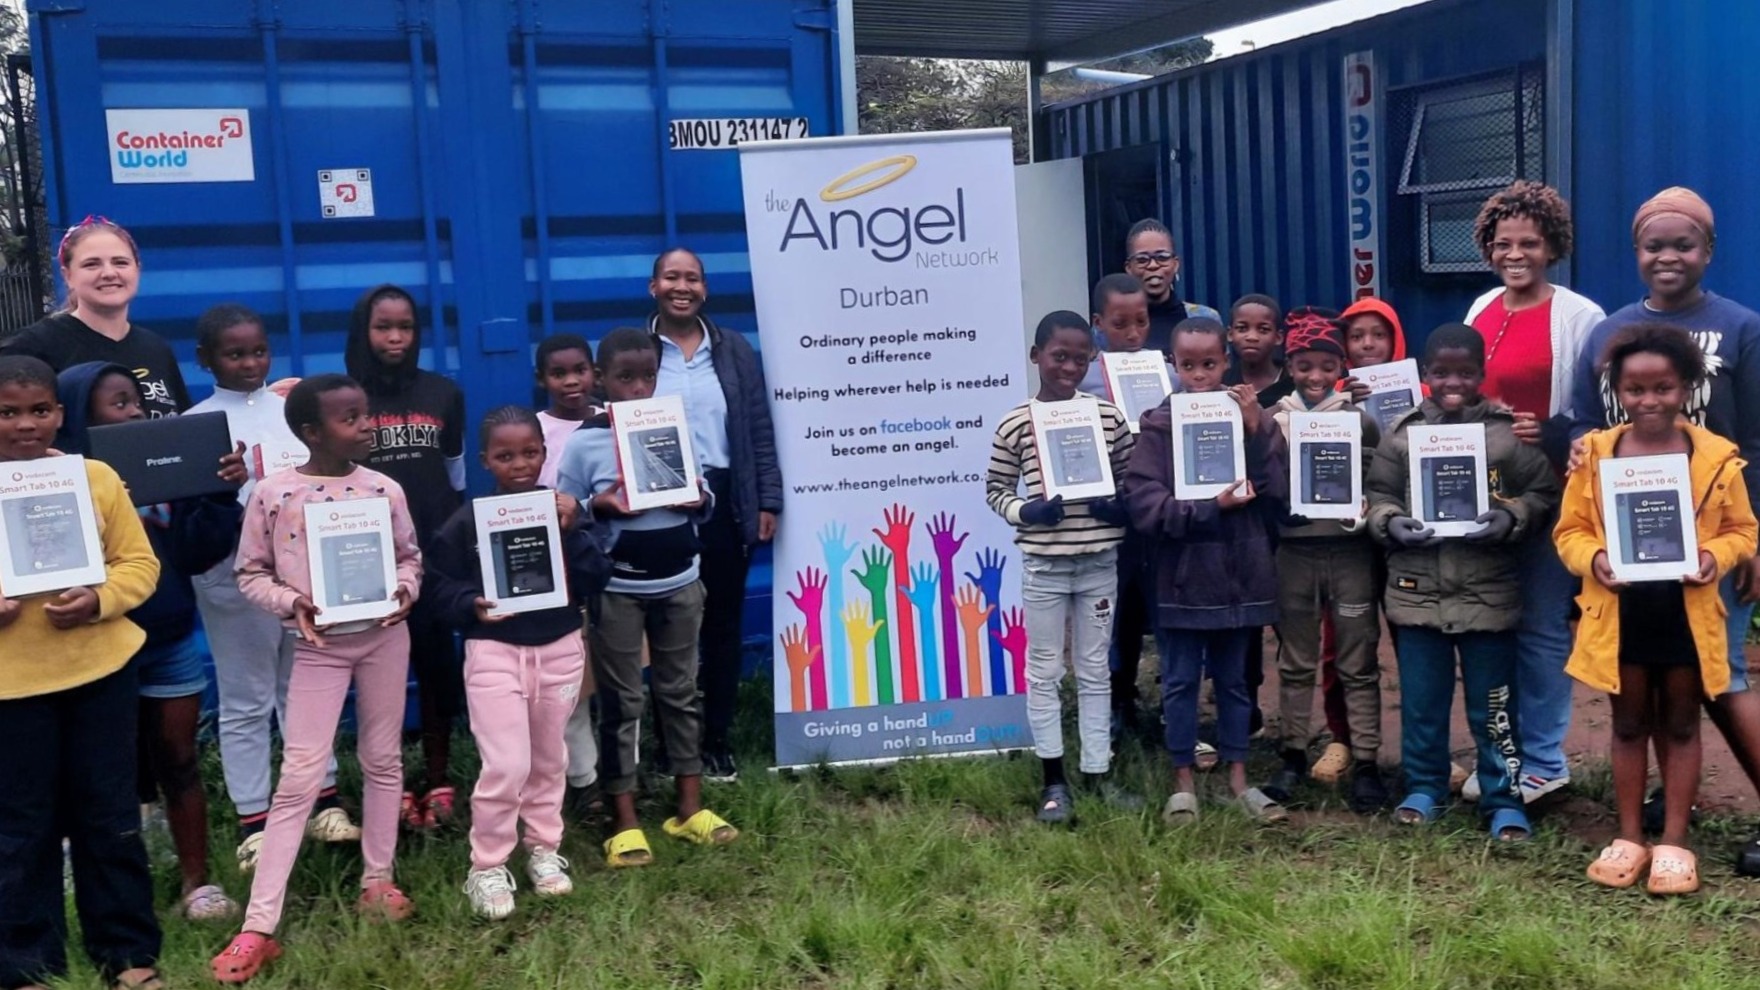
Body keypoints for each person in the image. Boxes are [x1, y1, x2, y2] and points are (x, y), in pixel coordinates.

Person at [1566, 187, 1760, 869]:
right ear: (1637, 252)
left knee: (1718, 679)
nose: (1669, 256)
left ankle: (1678, 832)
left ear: (1708, 250)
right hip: (1630, 567)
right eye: (1655, 245)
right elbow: (1587, 427)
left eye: (1684, 244)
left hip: (1714, 547)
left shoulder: (1742, 327)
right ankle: (1647, 823)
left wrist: (1748, 541)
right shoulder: (1610, 331)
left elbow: (1756, 441)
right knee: (1643, 700)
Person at [211, 374, 423, 984]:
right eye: (350, 418)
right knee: (301, 775)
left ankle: (377, 880)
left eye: (365, 414)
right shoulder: (274, 496)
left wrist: (405, 591)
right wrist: (289, 603)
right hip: (319, 650)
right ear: (310, 431)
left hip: (385, 638)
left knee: (383, 759)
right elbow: (249, 572)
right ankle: (259, 924)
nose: (366, 426)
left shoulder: (385, 488)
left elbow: (408, 556)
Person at [54, 361, 247, 921]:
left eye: (137, 401)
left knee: (180, 761)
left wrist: (217, 494)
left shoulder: (167, 477)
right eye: (118, 403)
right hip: (95, 645)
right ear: (82, 417)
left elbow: (195, 553)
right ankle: (105, 889)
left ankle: (197, 884)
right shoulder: (61, 483)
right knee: (100, 770)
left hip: (167, 639)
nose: (136, 412)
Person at [0, 355, 165, 990]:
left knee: (110, 819)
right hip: (12, 691)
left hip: (101, 674)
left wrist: (99, 600)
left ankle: (128, 956)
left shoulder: (93, 477)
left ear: (59, 414)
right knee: (19, 830)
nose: (25, 424)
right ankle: (26, 967)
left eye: (39, 410)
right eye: (8, 412)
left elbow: (138, 565)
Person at [185, 305, 363, 873]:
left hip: (306, 576)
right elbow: (186, 514)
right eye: (234, 354)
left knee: (306, 688)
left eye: (258, 350)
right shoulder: (197, 423)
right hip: (233, 579)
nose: (249, 362)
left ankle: (323, 802)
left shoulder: (295, 407)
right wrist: (220, 487)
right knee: (245, 698)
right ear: (205, 359)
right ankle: (254, 820)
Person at [1365, 324, 1560, 841]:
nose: (1454, 382)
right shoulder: (1402, 434)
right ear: (1425, 375)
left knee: (1494, 705)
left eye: (1465, 372)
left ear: (1481, 374)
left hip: (1487, 593)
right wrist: (1390, 522)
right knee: (1422, 701)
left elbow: (1544, 490)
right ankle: (1424, 786)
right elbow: (1377, 495)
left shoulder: (1505, 434)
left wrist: (1512, 516)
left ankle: (1502, 795)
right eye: (1441, 373)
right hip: (1417, 592)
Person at [556, 328, 737, 868]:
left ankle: (688, 808)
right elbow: (566, 511)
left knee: (680, 693)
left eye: (647, 377)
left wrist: (694, 495)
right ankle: (625, 817)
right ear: (600, 379)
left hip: (681, 582)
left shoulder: (674, 427)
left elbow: (704, 492)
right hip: (619, 591)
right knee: (622, 702)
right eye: (624, 378)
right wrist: (601, 505)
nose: (637, 388)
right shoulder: (585, 442)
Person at [426, 406, 608, 919]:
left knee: (549, 758)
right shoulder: (468, 523)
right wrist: (469, 605)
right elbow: (437, 587)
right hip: (495, 651)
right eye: (505, 456)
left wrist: (571, 532)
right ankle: (486, 865)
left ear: (544, 454)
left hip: (559, 647)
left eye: (530, 453)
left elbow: (599, 576)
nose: (520, 464)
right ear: (485, 461)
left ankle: (544, 849)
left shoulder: (564, 514)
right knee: (506, 764)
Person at [1462, 180, 1604, 804]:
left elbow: (1595, 412)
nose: (1514, 254)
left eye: (1529, 243)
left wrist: (1547, 431)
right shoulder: (1480, 308)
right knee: (1492, 625)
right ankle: (1500, 756)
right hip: (1482, 495)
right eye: (1502, 243)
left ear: (1552, 247)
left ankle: (1545, 760)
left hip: (1549, 493)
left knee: (1544, 626)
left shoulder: (1580, 315)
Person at [1123, 317, 1289, 823]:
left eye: (1210, 364)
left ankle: (1240, 779)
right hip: (1179, 577)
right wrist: (1208, 508)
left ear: (1227, 361)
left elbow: (1278, 491)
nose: (1199, 375)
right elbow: (1144, 504)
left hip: (1240, 572)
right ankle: (1183, 782)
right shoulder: (1157, 425)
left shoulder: (1250, 417)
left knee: (1236, 682)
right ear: (1173, 364)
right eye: (1188, 365)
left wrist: (1256, 430)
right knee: (1177, 681)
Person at [985, 310, 1140, 823]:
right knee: (1045, 669)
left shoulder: (1108, 418)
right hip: (1045, 566)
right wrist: (1026, 510)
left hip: (1099, 561)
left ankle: (1098, 772)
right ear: (1036, 357)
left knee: (1096, 669)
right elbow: (995, 489)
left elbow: (1132, 480)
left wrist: (1117, 506)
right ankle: (1054, 781)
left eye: (1079, 357)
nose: (1069, 366)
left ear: (1091, 358)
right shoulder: (1015, 423)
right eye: (1058, 356)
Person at [646, 248, 782, 782]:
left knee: (722, 625)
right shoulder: (636, 350)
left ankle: (718, 740)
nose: (683, 286)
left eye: (693, 278)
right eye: (672, 277)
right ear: (653, 286)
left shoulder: (734, 351)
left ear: (705, 288)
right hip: (658, 504)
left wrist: (766, 501)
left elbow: (758, 429)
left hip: (725, 501)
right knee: (665, 630)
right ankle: (672, 746)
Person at [344, 283, 467, 827]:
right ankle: (387, 780)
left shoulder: (443, 394)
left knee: (439, 666)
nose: (395, 338)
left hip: (434, 556)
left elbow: (456, 476)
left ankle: (439, 776)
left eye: (406, 327)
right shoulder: (344, 398)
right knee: (380, 675)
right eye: (382, 327)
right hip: (369, 558)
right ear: (363, 332)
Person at [1264, 311, 1386, 813]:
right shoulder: (1274, 419)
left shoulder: (1358, 419)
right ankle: (1292, 753)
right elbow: (1264, 481)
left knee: (1358, 660)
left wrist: (1364, 511)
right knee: (1294, 659)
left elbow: (1379, 478)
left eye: (1326, 366)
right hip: (1294, 553)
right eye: (1304, 365)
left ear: (1341, 365)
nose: (1316, 377)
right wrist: (1278, 511)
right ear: (1290, 364)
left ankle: (1368, 761)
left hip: (1350, 552)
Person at [1080, 273, 1165, 736]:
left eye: (1141, 321)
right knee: (1115, 611)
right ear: (1099, 323)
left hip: (1157, 514)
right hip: (1110, 517)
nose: (1133, 334)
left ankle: (1174, 703)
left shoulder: (1166, 371)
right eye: (1120, 324)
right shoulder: (1087, 378)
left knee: (1162, 603)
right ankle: (1117, 700)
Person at [0, 217, 188, 418]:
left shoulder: (155, 347)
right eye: (91, 264)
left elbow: (183, 425)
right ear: (67, 275)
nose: (108, 273)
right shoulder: (33, 347)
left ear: (137, 270)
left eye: (120, 262)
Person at [532, 332, 607, 821]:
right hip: (560, 576)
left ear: (594, 373)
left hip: (617, 571)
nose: (571, 381)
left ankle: (625, 774)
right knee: (572, 687)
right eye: (559, 374)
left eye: (579, 370)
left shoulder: (615, 422)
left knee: (621, 682)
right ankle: (586, 781)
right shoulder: (531, 430)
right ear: (542, 380)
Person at [1120, 218, 1222, 355]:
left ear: (1175, 264)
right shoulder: (1112, 326)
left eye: (1162, 257)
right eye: (1142, 260)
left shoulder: (1206, 319)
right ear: (1129, 268)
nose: (1153, 265)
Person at [1225, 294, 1294, 408]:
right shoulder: (1222, 385)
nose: (1252, 337)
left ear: (1278, 337)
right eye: (1242, 328)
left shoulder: (1293, 384)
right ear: (1230, 334)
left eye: (1263, 329)